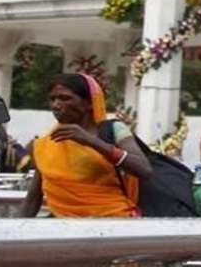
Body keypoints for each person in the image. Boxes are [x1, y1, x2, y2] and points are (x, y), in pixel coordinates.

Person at [21, 74, 152, 217]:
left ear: (89, 102)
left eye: (65, 98)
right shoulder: (46, 143)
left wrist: (91, 141)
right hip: (64, 227)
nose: (56, 105)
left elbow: (143, 169)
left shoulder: (115, 130)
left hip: (113, 224)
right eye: (52, 99)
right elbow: (33, 198)